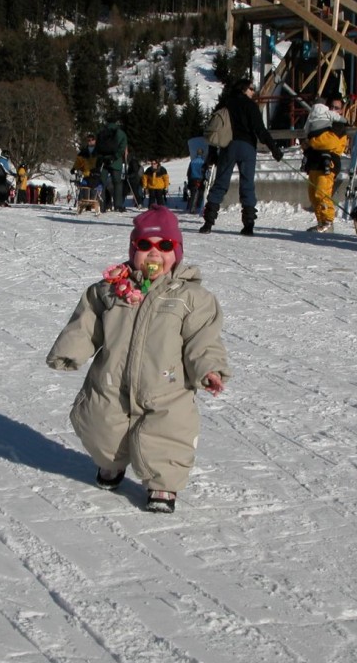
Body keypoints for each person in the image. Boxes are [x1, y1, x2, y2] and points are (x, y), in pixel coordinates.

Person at [46, 205, 230, 514]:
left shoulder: (191, 298)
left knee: (169, 435)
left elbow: (204, 339)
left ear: (177, 252)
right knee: (101, 427)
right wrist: (70, 350)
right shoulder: (111, 290)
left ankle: (163, 482)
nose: (154, 253)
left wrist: (210, 369)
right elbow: (86, 323)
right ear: (133, 250)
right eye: (145, 245)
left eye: (165, 246)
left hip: (168, 387)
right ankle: (111, 462)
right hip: (112, 380)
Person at [201, 78, 284, 235]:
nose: (254, 92)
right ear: (244, 89)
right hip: (247, 147)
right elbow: (260, 130)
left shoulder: (225, 104)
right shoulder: (250, 106)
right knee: (247, 184)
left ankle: (208, 223)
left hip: (228, 146)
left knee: (220, 183)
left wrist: (212, 152)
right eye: (251, 89)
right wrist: (274, 149)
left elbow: (215, 128)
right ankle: (248, 225)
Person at [302, 95, 348, 232]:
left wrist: (311, 142)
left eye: (337, 108)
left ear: (341, 111)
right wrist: (307, 146)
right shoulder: (321, 121)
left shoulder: (338, 125)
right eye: (331, 107)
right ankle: (321, 221)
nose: (333, 109)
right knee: (313, 195)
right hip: (314, 163)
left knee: (322, 193)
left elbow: (328, 142)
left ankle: (328, 221)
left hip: (328, 163)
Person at [95, 116, 129, 212]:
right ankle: (118, 205)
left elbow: (97, 147)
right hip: (115, 161)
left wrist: (102, 157)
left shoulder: (101, 132)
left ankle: (102, 206)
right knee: (117, 183)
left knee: (102, 183)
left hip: (103, 161)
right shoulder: (121, 133)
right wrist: (114, 157)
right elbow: (122, 147)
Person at [186, 147, 208, 214]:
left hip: (192, 179)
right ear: (202, 154)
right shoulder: (203, 162)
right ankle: (197, 207)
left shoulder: (192, 162)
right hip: (201, 179)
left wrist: (189, 180)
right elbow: (205, 172)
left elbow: (189, 172)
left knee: (193, 194)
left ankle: (191, 207)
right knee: (200, 193)